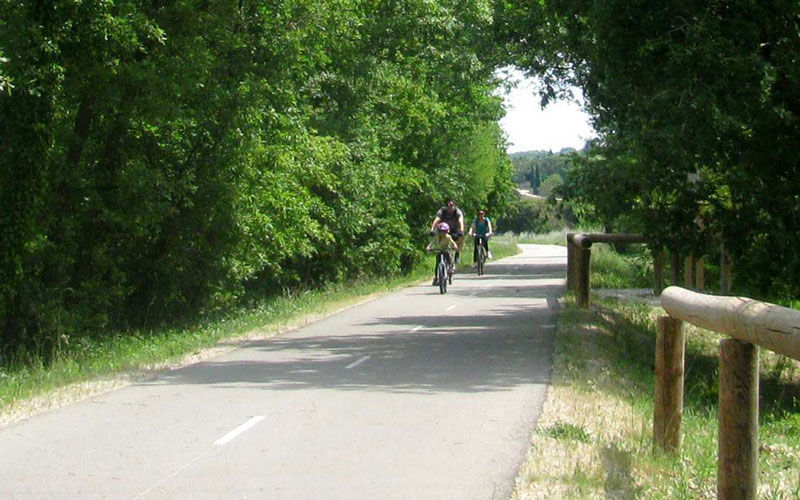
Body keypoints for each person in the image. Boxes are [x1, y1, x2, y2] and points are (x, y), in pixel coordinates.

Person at [430, 199, 465, 264]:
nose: (450, 207)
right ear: (445, 206)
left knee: (461, 237)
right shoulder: (441, 211)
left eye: (451, 205)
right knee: (437, 239)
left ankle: (457, 253)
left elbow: (461, 221)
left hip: (455, 229)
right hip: (443, 229)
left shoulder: (457, 211)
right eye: (448, 205)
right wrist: (432, 229)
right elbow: (437, 220)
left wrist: (461, 231)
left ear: (454, 205)